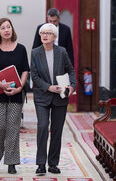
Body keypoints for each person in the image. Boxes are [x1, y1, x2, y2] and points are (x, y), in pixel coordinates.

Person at [0, 18, 30, 174]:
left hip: (16, 94)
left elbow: (25, 70)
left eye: (8, 27)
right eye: (3, 28)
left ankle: (11, 161)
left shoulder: (21, 49)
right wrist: (0, 83)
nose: (6, 30)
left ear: (12, 29)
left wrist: (20, 87)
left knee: (13, 127)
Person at [30, 23, 76, 174]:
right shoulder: (35, 52)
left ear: (54, 37)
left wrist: (72, 86)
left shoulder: (61, 52)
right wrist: (48, 87)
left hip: (60, 98)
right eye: (42, 32)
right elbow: (34, 76)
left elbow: (70, 70)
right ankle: (41, 164)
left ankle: (53, 164)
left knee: (57, 130)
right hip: (42, 96)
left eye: (48, 33)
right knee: (43, 127)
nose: (44, 35)